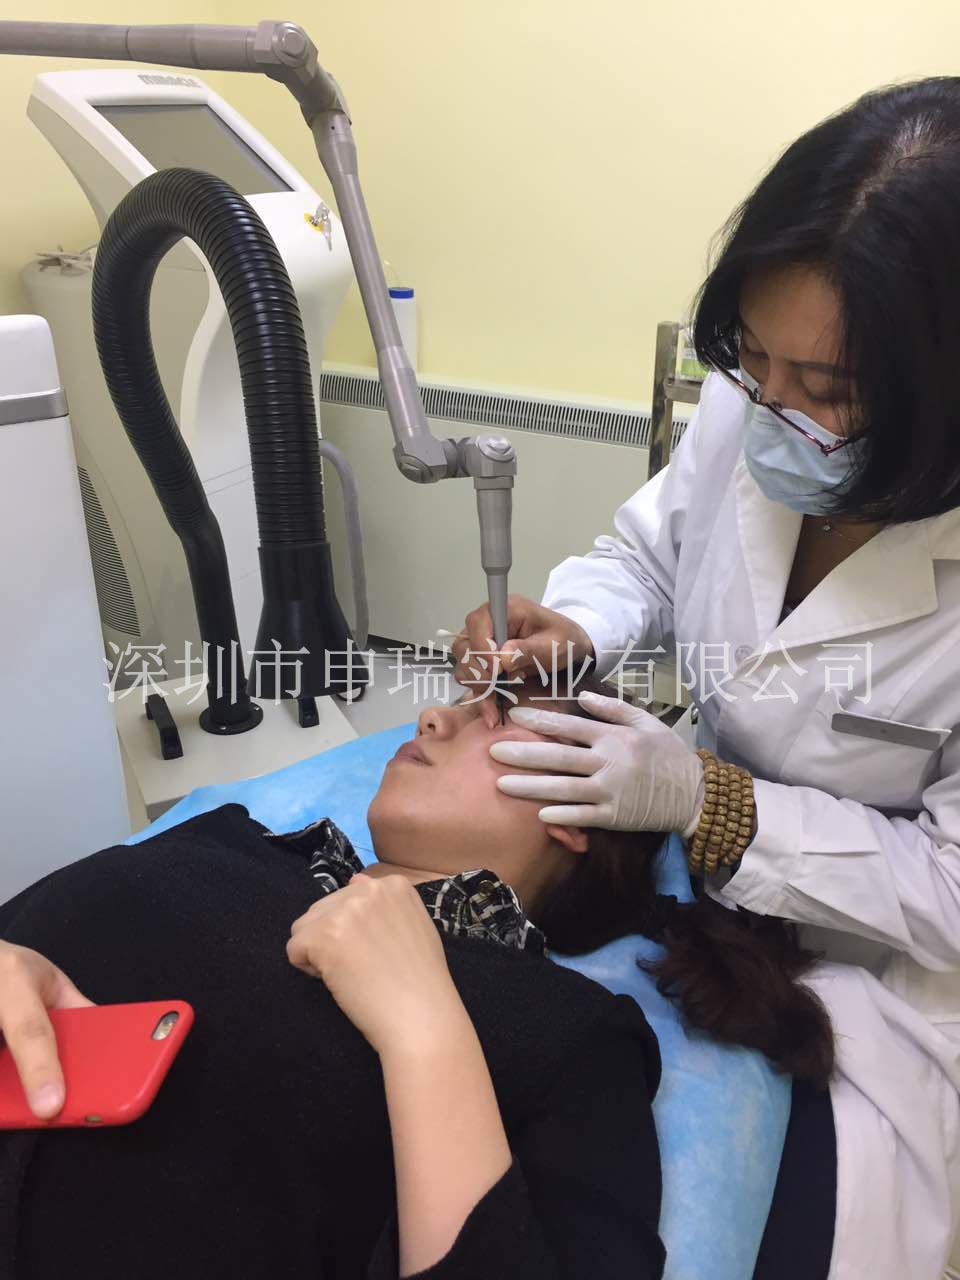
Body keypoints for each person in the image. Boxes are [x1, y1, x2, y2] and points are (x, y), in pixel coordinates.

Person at [453, 76, 960, 1280]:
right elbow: (648, 551)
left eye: (829, 390)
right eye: (753, 357)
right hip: (706, 901)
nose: (768, 408)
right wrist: (576, 628)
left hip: (893, 973)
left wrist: (716, 803)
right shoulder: (756, 403)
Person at [0, 676, 831, 1279]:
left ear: (583, 808)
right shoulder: (226, 839)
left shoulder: (569, 1033)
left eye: (495, 717)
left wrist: (424, 1034)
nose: (433, 716)